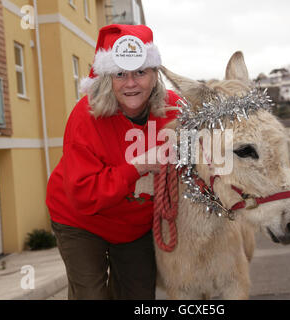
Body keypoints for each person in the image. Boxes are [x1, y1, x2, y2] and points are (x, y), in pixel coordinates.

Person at [46, 24, 181, 300]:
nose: (130, 83)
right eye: (120, 74)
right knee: (91, 296)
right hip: (80, 219)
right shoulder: (85, 116)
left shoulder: (176, 110)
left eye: (140, 72)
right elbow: (83, 194)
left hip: (135, 225)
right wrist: (139, 165)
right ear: (108, 78)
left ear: (155, 75)